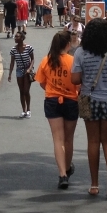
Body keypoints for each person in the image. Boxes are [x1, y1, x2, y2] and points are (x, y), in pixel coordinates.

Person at [71, 17, 107, 199]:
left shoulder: (81, 53)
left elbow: (74, 79)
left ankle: (94, 184)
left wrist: (86, 78)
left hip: (89, 99)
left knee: (93, 141)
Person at [35, 31, 80, 189]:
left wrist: (51, 88)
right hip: (71, 100)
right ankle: (67, 168)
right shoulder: (73, 61)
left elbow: (41, 82)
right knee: (69, 138)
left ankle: (62, 174)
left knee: (57, 139)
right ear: (68, 45)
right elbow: (78, 84)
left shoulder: (47, 60)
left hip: (52, 100)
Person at [7, 30, 36, 118]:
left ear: (22, 38)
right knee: (21, 91)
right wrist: (10, 74)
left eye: (17, 37)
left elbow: (33, 59)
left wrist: (29, 69)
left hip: (27, 70)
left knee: (26, 91)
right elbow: (12, 62)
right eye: (15, 37)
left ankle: (29, 110)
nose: (15, 38)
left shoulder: (28, 47)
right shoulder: (13, 49)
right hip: (19, 70)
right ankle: (23, 110)